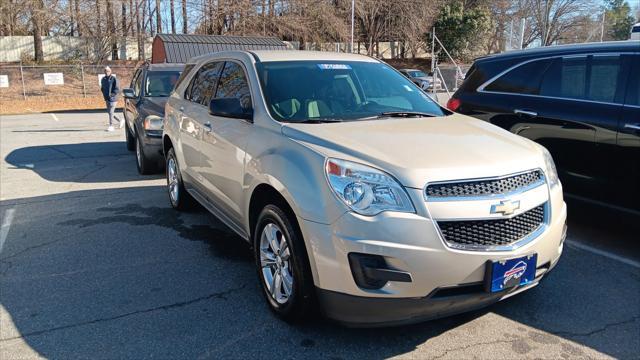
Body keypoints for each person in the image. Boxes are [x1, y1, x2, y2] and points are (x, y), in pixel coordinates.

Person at [100, 66, 124, 132]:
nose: (106, 72)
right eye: (105, 71)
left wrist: (111, 95)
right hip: (107, 98)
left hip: (113, 98)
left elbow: (117, 89)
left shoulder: (114, 79)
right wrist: (105, 94)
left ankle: (111, 126)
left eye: (108, 71)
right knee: (110, 112)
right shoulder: (103, 79)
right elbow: (102, 88)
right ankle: (120, 120)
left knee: (111, 112)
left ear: (110, 72)